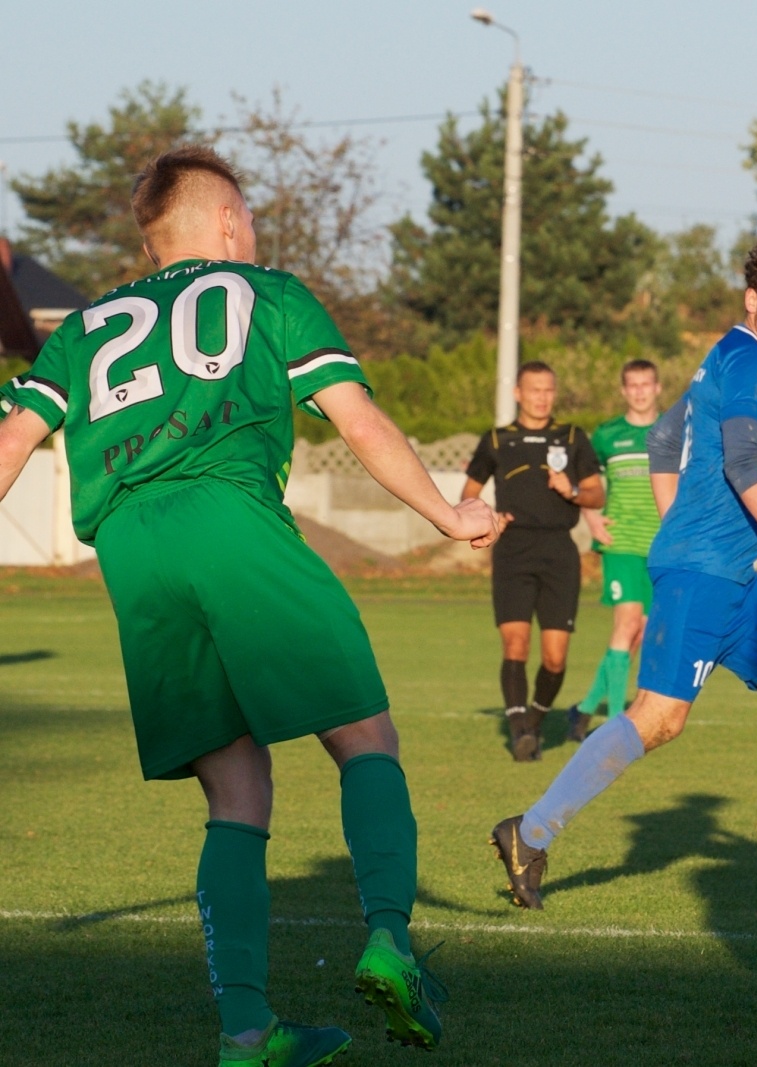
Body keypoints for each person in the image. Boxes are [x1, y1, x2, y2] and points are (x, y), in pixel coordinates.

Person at [0, 145, 502, 1067]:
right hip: (230, 518)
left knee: (236, 788)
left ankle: (246, 1030)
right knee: (364, 738)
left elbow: (11, 441)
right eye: (251, 217)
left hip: (131, 551)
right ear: (225, 219)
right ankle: (390, 939)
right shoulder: (267, 294)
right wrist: (449, 512)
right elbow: (357, 420)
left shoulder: (83, 326)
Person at [489, 238, 757, 918]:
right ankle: (528, 834)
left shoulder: (726, 359)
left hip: (731, 574)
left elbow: (662, 440)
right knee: (658, 717)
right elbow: (743, 462)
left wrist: (681, 516)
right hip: (704, 573)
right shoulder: (744, 359)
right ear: (752, 299)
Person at [463, 363, 603, 761]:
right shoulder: (495, 440)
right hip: (513, 550)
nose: (542, 397)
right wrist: (490, 515)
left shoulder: (573, 437)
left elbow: (596, 495)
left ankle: (535, 724)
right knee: (516, 644)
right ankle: (519, 730)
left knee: (556, 657)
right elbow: (469, 493)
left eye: (548, 390)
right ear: (518, 393)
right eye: (534, 389)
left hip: (559, 551)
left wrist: (572, 489)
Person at [567, 359, 663, 742]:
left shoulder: (675, 430)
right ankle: (617, 725)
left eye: (646, 384)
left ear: (657, 388)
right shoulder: (607, 436)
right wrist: (591, 520)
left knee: (640, 632)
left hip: (659, 546)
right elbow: (583, 482)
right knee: (625, 625)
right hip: (621, 543)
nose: (639, 391)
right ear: (623, 391)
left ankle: (586, 707)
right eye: (632, 385)